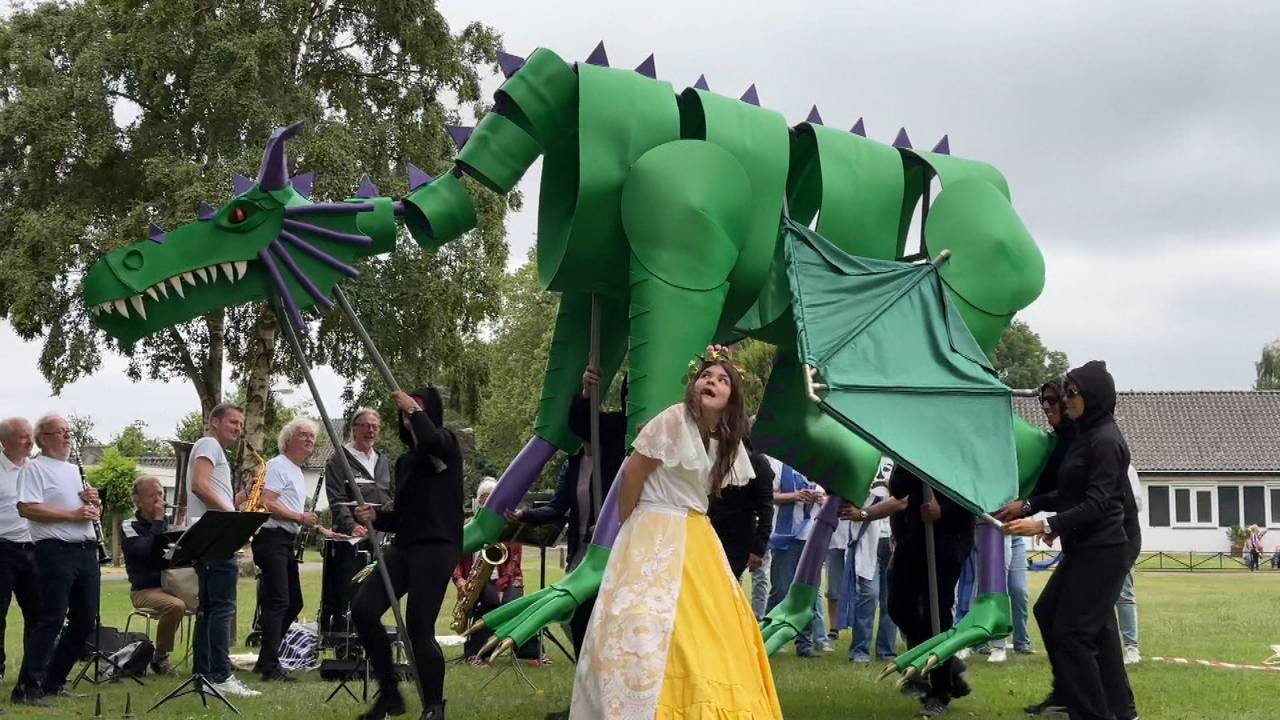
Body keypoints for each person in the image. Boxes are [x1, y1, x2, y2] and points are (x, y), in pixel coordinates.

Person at [569, 347, 782, 719]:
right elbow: (633, 473)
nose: (711, 382)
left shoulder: (725, 440)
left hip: (696, 533)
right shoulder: (673, 419)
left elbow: (711, 492)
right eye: (706, 376)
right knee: (642, 617)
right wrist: (632, 525)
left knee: (703, 623)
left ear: (732, 396)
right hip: (653, 524)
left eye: (722, 379)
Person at [1005, 361, 1138, 720]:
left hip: (1106, 547)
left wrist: (1044, 525)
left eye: (1070, 393)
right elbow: (1070, 492)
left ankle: (1104, 710)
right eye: (1060, 394)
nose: (1063, 400)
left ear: (1092, 396)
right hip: (1086, 545)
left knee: (1075, 633)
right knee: (1055, 615)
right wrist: (1031, 507)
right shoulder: (1084, 435)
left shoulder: (1106, 440)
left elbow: (1098, 503)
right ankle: (1101, 706)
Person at [351, 388, 463, 720]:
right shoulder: (406, 462)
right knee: (364, 609)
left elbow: (431, 439)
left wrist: (414, 409)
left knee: (418, 626)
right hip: (405, 546)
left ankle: (434, 707)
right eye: (407, 410)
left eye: (417, 409)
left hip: (437, 546)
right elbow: (402, 515)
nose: (410, 414)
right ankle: (389, 694)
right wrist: (376, 516)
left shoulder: (446, 446)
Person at [507, 365, 627, 653]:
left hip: (615, 548)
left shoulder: (619, 450)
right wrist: (525, 515)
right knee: (578, 614)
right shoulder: (574, 465)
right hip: (582, 550)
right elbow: (558, 506)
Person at [14, 413, 101, 705]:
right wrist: (73, 514)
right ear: (43, 438)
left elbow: (85, 512)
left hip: (85, 549)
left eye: (68, 431)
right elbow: (27, 508)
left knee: (85, 619)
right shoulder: (35, 468)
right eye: (60, 431)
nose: (67, 436)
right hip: (55, 550)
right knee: (50, 618)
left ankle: (54, 681)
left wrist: (94, 505)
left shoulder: (74, 469)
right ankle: (27, 688)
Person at [886, 465, 975, 718]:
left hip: (950, 536)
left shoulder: (959, 449)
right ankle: (948, 663)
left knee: (937, 610)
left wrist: (944, 509)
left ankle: (940, 692)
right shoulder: (911, 448)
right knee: (898, 605)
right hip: (914, 533)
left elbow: (973, 490)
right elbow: (898, 488)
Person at [184, 402, 259, 699]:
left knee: (210, 609)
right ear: (214, 422)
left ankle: (203, 675)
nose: (238, 429)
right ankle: (220, 675)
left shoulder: (216, 450)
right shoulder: (208, 444)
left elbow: (211, 493)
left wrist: (239, 498)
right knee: (222, 609)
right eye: (233, 422)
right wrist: (233, 518)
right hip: (216, 537)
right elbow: (199, 486)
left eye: (241, 424)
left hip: (211, 535)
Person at [251, 418, 319, 682]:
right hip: (271, 537)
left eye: (312, 436)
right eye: (304, 434)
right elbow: (267, 503)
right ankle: (270, 666)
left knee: (294, 602)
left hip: (284, 540)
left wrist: (318, 528)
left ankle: (265, 659)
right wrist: (300, 517)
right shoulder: (278, 465)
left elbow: (292, 512)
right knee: (279, 600)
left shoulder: (297, 471)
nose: (309, 439)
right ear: (288, 440)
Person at [835, 474, 907, 663]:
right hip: (867, 538)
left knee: (890, 600)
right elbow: (843, 498)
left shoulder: (899, 467)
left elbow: (903, 501)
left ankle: (886, 651)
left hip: (893, 539)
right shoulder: (864, 466)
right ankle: (860, 651)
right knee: (869, 595)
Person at [454, 477, 525, 662]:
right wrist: (459, 579)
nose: (487, 500)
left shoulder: (508, 526)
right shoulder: (467, 526)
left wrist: (502, 586)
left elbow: (514, 562)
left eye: (492, 496)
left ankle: (528, 652)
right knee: (490, 602)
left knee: (517, 604)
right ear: (478, 500)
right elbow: (454, 557)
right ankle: (475, 653)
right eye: (484, 497)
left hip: (507, 579)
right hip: (476, 578)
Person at [764, 454, 827, 657]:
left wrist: (822, 500)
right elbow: (769, 495)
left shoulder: (820, 467)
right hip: (786, 537)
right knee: (781, 589)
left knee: (807, 593)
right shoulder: (779, 465)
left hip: (812, 539)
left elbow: (832, 499)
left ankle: (804, 644)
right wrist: (794, 496)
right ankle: (770, 634)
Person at [122, 476, 184, 676]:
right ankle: (160, 657)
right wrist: (157, 522)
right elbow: (145, 552)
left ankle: (208, 658)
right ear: (139, 501)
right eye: (152, 496)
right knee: (176, 606)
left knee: (211, 601)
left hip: (173, 585)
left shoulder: (169, 523)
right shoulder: (129, 526)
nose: (159, 500)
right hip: (144, 590)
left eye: (161, 494)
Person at [0, 417, 40, 694]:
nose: (30, 441)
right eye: (23, 436)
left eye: (30, 435)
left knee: (38, 613)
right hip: (2, 548)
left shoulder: (36, 469)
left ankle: (33, 670)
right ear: (5, 441)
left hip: (34, 548)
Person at [325, 407, 394, 537]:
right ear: (354, 429)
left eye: (375, 427)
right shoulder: (339, 460)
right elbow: (337, 500)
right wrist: (352, 526)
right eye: (365, 426)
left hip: (383, 532)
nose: (371, 430)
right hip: (355, 536)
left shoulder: (382, 460)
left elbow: (390, 494)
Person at [708, 444, 774, 578]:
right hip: (710, 531)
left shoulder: (757, 462)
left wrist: (758, 549)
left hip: (738, 538)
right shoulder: (715, 456)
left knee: (725, 580)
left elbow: (766, 509)